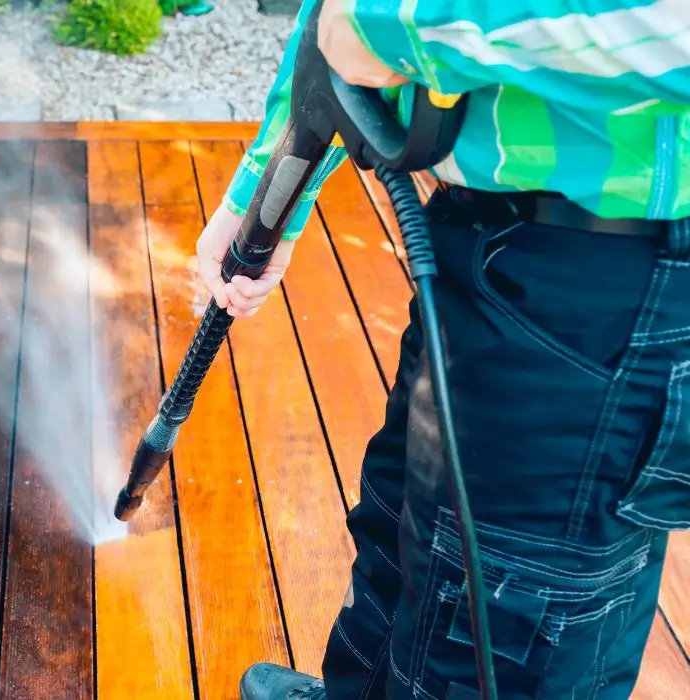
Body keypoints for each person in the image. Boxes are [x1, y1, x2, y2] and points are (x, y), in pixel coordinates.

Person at [198, 0, 690, 698]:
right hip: (484, 238)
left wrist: (403, 26)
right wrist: (263, 198)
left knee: (503, 617)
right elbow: (333, 27)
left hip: (615, 284)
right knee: (404, 543)